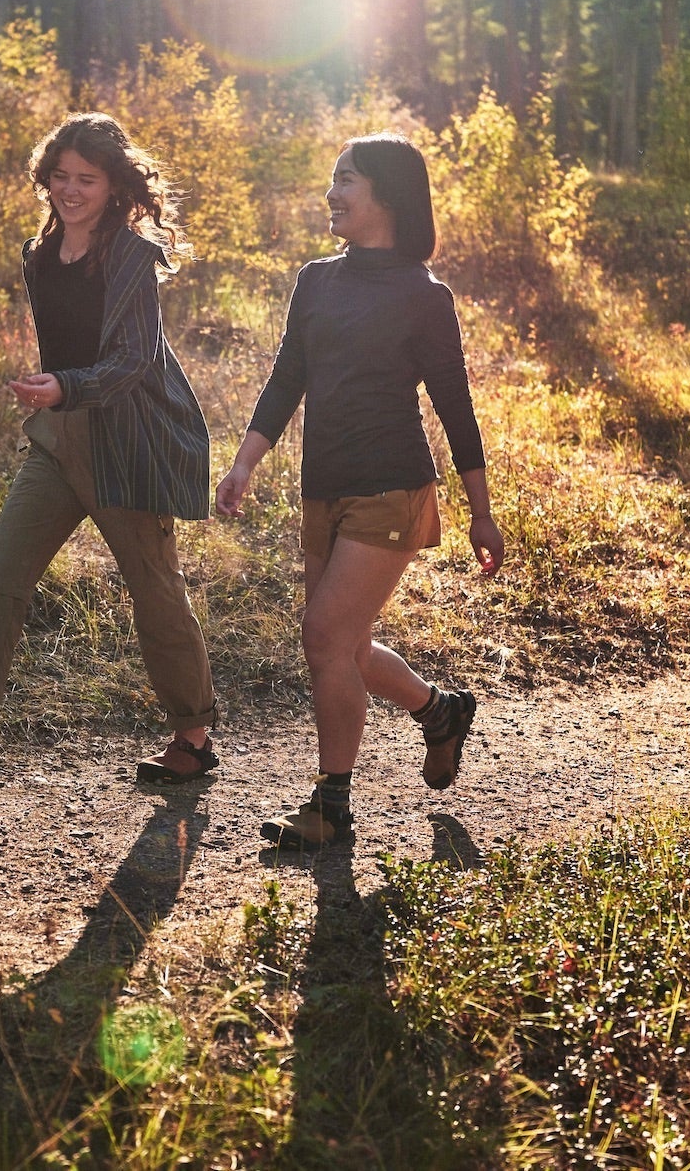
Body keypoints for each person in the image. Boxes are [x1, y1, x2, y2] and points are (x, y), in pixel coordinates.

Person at [0, 113, 218, 788]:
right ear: (45, 178)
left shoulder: (132, 256)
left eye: (87, 180)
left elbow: (133, 361)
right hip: (58, 440)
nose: (70, 191)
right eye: (61, 177)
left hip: (128, 443)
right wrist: (57, 393)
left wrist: (64, 386)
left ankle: (193, 738)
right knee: (0, 579)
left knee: (154, 593)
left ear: (113, 187)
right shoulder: (37, 254)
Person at [215, 132, 504, 850]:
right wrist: (246, 462)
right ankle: (439, 711)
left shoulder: (423, 296)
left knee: (323, 636)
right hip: (326, 487)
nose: (332, 193)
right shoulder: (317, 280)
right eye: (331, 180)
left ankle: (331, 809)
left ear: (387, 195)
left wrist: (482, 514)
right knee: (346, 647)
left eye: (346, 180)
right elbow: (289, 378)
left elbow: (455, 406)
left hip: (392, 487)